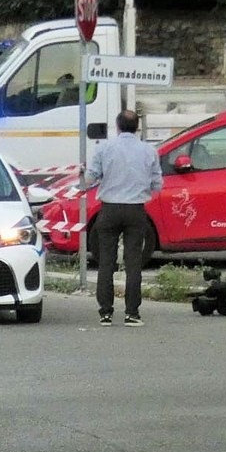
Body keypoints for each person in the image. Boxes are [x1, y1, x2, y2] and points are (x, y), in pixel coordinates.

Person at [84, 108, 163, 326]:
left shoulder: (105, 148)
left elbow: (91, 178)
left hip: (109, 209)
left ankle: (106, 313)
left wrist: (81, 179)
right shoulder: (149, 151)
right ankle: (132, 313)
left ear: (117, 127)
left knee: (106, 261)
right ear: (137, 127)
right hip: (136, 210)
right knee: (133, 262)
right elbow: (157, 184)